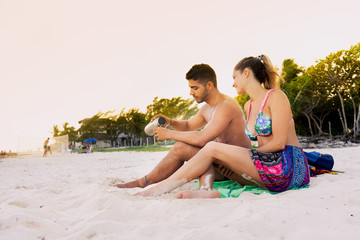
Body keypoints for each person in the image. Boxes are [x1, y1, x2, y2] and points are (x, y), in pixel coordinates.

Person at [135, 55, 310, 198]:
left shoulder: (276, 97)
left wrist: (242, 156)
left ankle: (157, 189)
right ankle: (204, 192)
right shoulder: (248, 106)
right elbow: (189, 124)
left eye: (235, 77)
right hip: (264, 166)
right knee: (208, 152)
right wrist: (171, 122)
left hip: (287, 168)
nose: (233, 83)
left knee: (211, 148)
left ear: (246, 73)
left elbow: (279, 143)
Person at [117, 63, 252, 190]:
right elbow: (188, 125)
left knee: (181, 148)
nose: (191, 93)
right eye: (190, 88)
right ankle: (144, 182)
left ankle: (142, 183)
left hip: (237, 168)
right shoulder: (206, 109)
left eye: (195, 88)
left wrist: (168, 134)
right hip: (221, 163)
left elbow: (202, 138)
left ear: (209, 85)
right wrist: (169, 121)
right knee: (182, 148)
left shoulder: (226, 105)